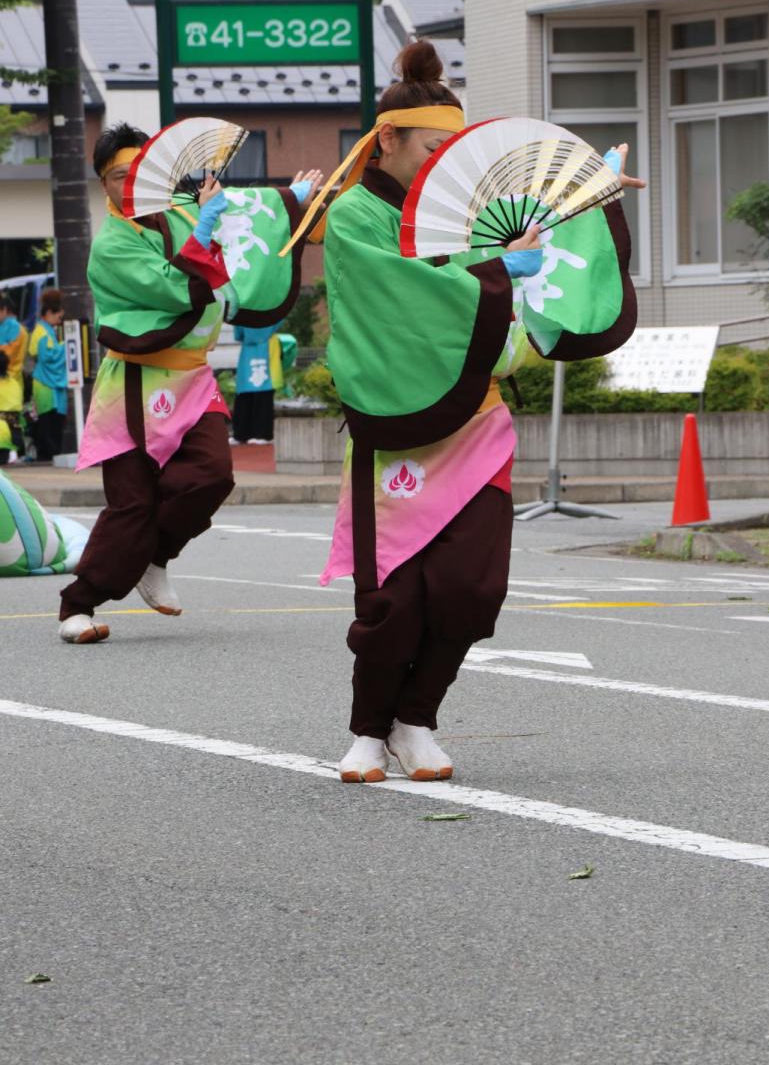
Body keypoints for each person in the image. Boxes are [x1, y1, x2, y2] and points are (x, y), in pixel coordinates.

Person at [283, 41, 643, 783]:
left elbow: (542, 221)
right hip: (393, 427)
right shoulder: (353, 216)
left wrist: (592, 191)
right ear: (387, 140)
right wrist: (490, 272)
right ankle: (366, 730)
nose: (443, 162)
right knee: (394, 597)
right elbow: (399, 290)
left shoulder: (468, 207)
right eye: (431, 147)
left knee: (472, 588)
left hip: (475, 421)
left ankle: (415, 723)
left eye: (454, 149)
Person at [58, 120, 320, 644]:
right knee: (131, 503)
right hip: (134, 381)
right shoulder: (111, 244)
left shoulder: (182, 212)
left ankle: (155, 555)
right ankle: (77, 605)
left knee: (213, 475)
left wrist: (291, 199)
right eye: (117, 176)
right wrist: (202, 234)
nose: (129, 183)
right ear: (103, 184)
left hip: (192, 378)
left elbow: (242, 216)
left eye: (138, 172)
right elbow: (173, 290)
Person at [28, 287, 68, 462]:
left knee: (54, 420)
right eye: (59, 315)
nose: (60, 318)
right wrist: (67, 346)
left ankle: (50, 453)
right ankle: (47, 454)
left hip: (49, 382)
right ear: (50, 312)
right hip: (46, 384)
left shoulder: (46, 330)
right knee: (47, 421)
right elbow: (48, 357)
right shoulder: (42, 332)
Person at [230, 321, 284, 445]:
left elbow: (238, 334)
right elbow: (279, 318)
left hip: (249, 350)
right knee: (261, 393)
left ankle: (242, 434)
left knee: (245, 394)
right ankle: (260, 434)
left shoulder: (243, 307)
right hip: (266, 347)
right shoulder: (271, 304)